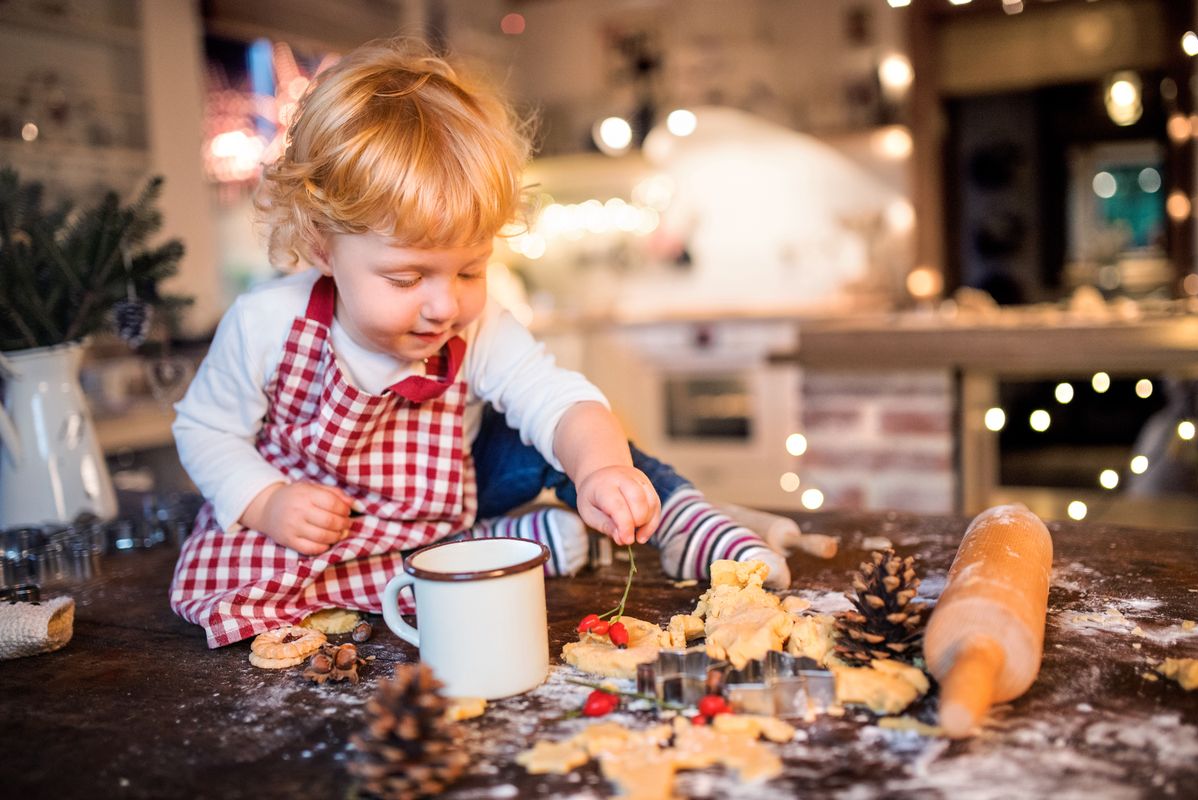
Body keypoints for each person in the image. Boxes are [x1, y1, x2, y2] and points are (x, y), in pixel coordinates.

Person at [169, 39, 789, 649]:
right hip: (317, 524)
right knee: (278, 572)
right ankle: (511, 539)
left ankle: (681, 524)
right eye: (407, 277)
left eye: (470, 270)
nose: (446, 306)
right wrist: (268, 502)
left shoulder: (479, 324)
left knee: (566, 438)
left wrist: (601, 468)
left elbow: (555, 398)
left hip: (442, 498)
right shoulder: (267, 323)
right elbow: (205, 430)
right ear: (322, 246)